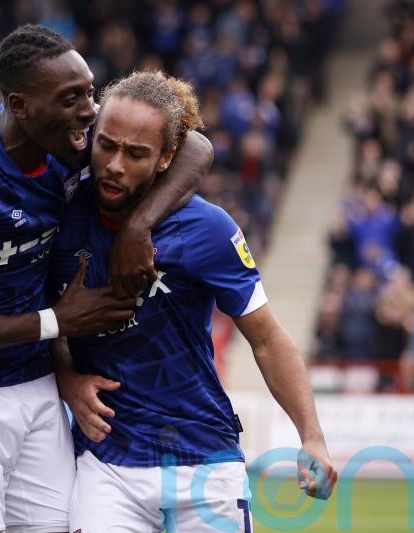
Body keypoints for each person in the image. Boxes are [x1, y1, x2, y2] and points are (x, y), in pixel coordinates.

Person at [0, 25, 212, 533]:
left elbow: (195, 145)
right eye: (72, 99)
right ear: (20, 106)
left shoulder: (72, 143)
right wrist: (56, 322)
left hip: (34, 380)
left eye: (89, 92)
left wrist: (139, 224)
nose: (89, 111)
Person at [48, 71, 337, 532]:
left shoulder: (208, 229)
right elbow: (43, 321)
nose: (115, 165)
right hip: (107, 464)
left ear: (167, 158)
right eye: (107, 146)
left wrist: (312, 436)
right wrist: (67, 379)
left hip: (204, 461)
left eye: (136, 154)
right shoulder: (59, 220)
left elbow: (266, 338)